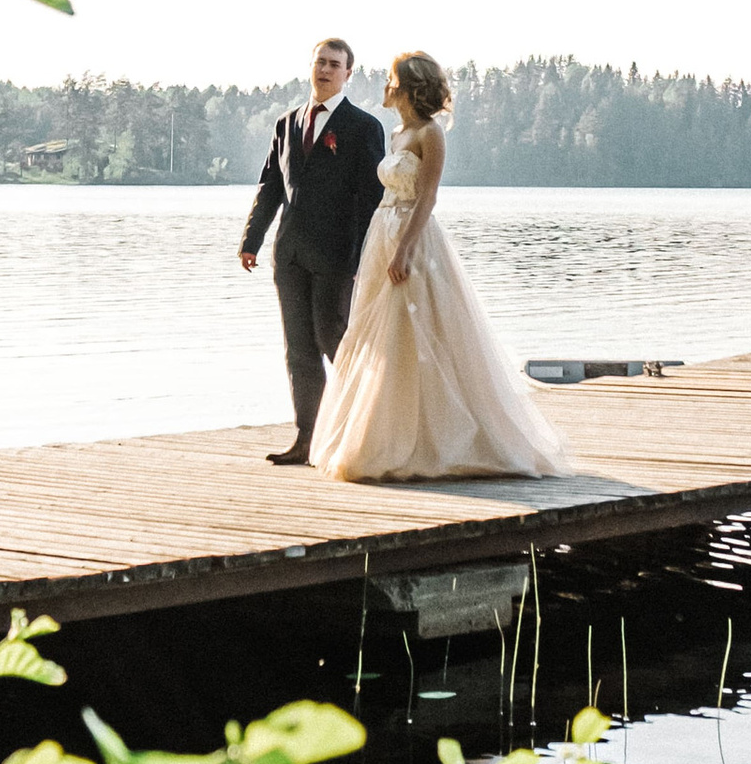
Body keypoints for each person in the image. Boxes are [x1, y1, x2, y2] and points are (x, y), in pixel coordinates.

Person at [308, 49, 575, 483]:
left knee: (420, 332)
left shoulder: (430, 133)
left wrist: (404, 250)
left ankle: (441, 440)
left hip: (413, 240)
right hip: (382, 234)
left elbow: (428, 197)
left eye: (392, 80)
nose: (385, 85)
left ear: (408, 87)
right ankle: (386, 432)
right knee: (384, 337)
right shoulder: (397, 133)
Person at [239, 37, 387, 466]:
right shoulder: (287, 123)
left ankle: (365, 429)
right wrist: (251, 240)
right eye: (320, 62)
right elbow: (271, 186)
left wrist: (362, 257)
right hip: (289, 254)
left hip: (337, 256)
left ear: (348, 74)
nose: (325, 70)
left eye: (334, 64)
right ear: (311, 67)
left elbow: (370, 198)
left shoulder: (363, 127)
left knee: (333, 338)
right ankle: (307, 438)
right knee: (298, 349)